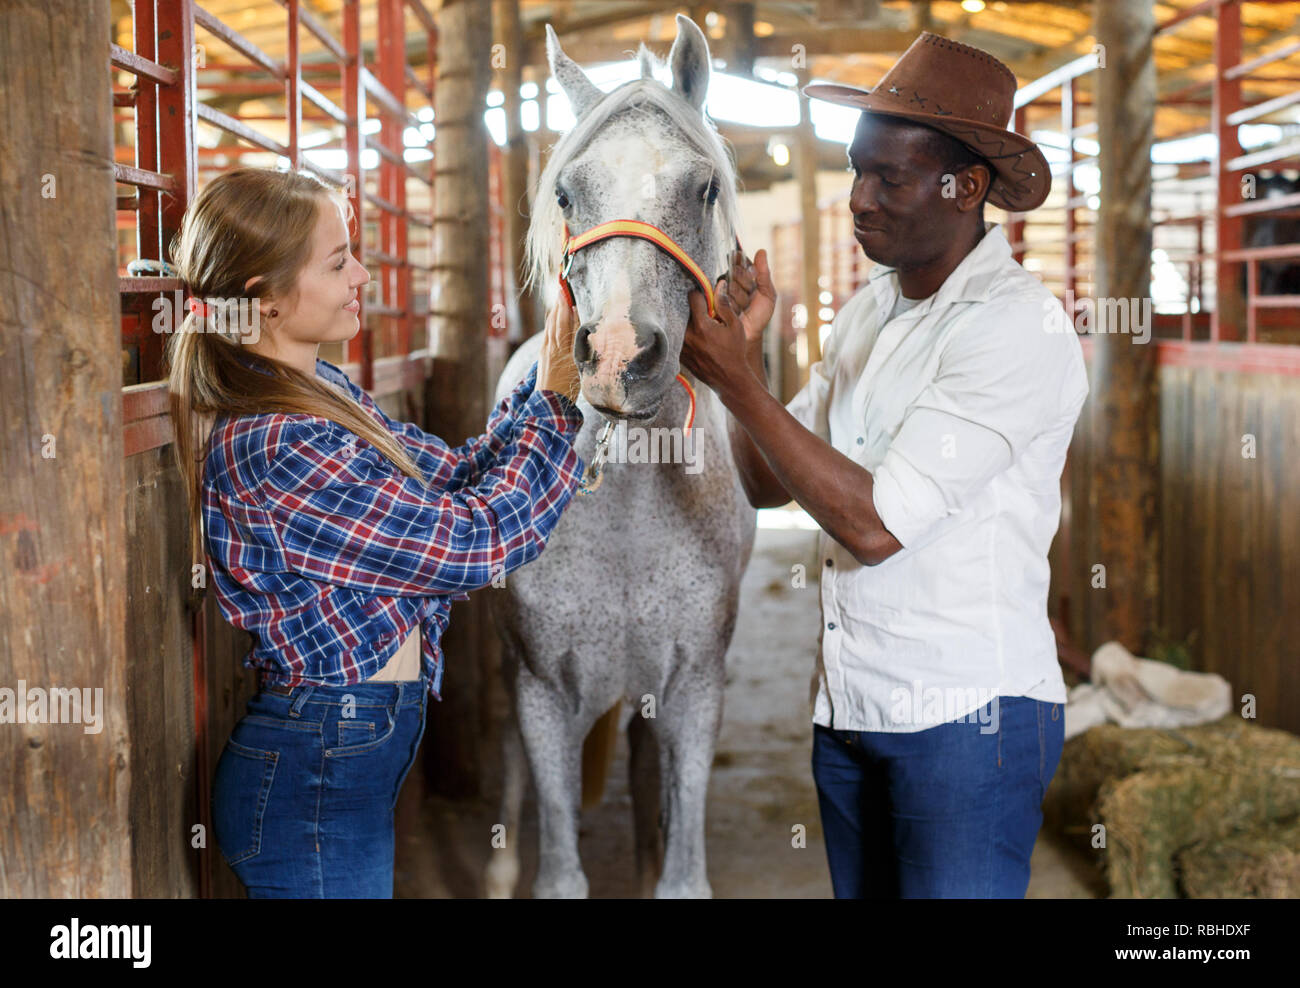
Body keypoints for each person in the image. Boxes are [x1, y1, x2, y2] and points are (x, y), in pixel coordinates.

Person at [682, 33, 1089, 898]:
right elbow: (762, 483)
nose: (859, 200)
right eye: (856, 170)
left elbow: (874, 525)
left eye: (887, 179)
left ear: (965, 187)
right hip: (854, 708)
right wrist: (740, 372)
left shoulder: (1013, 328)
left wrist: (740, 382)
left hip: (965, 721)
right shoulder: (870, 311)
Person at [165, 166, 585, 898]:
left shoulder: (321, 391)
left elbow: (453, 472)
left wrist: (544, 383)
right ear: (263, 299)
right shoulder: (278, 446)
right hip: (315, 778)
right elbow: (475, 545)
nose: (363, 274)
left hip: (343, 756)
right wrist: (554, 408)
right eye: (337, 262)